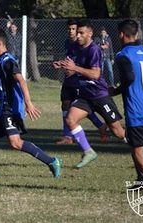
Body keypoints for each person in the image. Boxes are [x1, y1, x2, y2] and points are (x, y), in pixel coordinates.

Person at [0, 29, 61, 178]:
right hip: (2, 110)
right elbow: (2, 91)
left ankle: (52, 161)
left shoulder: (8, 61)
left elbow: (21, 80)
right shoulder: (0, 61)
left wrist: (28, 103)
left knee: (15, 142)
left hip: (10, 110)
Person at [58, 20, 126, 168]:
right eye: (78, 33)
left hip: (99, 95)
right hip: (84, 95)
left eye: (82, 33)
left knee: (118, 132)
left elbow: (95, 74)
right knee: (70, 119)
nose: (78, 35)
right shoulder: (75, 46)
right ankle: (89, 152)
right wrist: (63, 65)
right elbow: (71, 65)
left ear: (90, 34)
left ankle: (140, 150)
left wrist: (75, 68)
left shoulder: (94, 49)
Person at [111, 19, 143, 191]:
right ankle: (142, 181)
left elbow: (129, 78)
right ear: (137, 34)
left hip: (137, 107)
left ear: (121, 35)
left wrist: (115, 91)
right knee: (136, 146)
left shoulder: (122, 55)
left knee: (138, 152)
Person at [53, 19, 107, 145]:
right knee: (65, 104)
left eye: (74, 29)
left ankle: (100, 125)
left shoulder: (85, 45)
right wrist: (61, 64)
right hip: (69, 79)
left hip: (79, 80)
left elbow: (83, 64)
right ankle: (67, 136)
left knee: (79, 106)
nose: (72, 32)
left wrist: (75, 71)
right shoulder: (68, 43)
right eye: (69, 29)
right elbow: (71, 59)